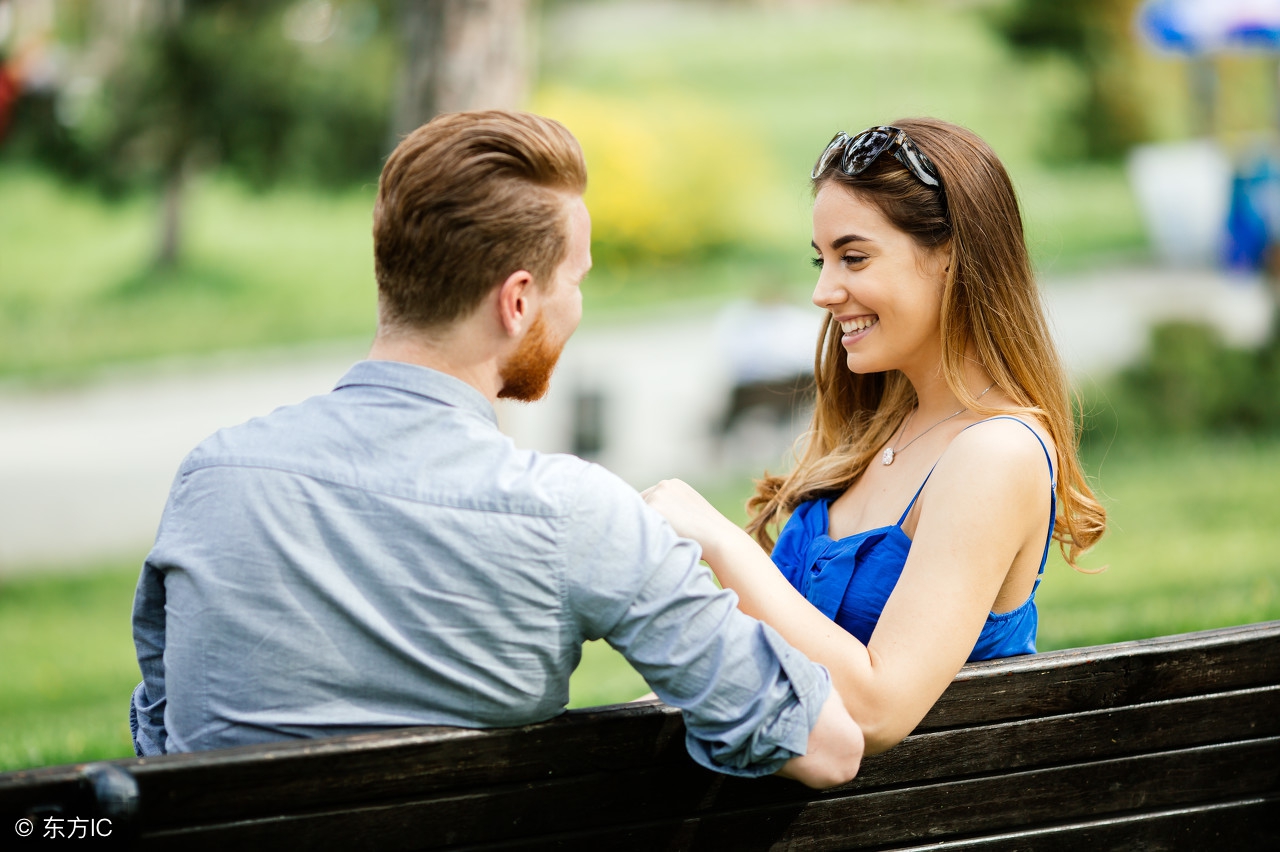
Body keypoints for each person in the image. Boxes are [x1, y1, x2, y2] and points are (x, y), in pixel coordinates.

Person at [129, 110, 863, 788]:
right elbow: (828, 748)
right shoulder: (573, 514)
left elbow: (163, 736)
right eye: (574, 280)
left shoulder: (214, 477)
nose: (576, 306)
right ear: (517, 301)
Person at [643, 119, 1107, 755]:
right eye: (821, 258)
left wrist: (723, 543)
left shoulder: (995, 452)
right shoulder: (878, 427)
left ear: (951, 255)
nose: (822, 291)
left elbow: (876, 710)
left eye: (853, 257)